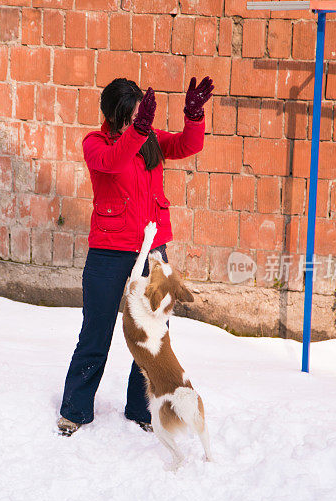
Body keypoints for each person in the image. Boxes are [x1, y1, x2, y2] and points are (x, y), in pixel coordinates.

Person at [57, 76, 214, 436]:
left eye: (138, 116)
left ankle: (141, 408)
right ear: (113, 117)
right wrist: (138, 130)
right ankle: (75, 410)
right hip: (108, 253)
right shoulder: (95, 143)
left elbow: (188, 145)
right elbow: (113, 162)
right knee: (95, 333)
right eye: (128, 118)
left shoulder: (150, 139)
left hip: (152, 253)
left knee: (153, 333)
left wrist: (193, 116)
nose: (134, 124)